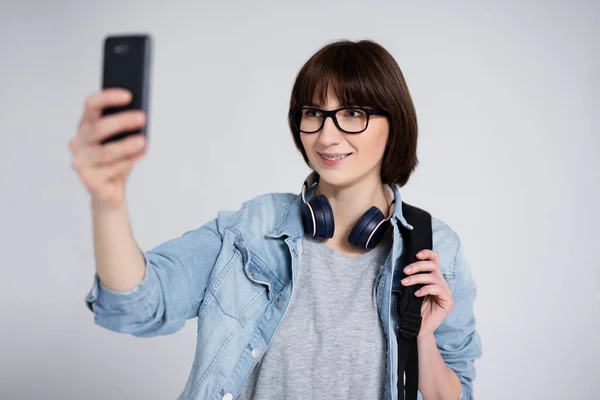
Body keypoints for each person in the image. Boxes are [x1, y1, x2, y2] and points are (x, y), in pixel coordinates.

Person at [70, 39, 482, 400]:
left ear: (394, 124)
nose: (327, 136)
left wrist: (423, 338)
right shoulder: (252, 228)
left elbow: (454, 393)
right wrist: (108, 202)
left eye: (353, 113)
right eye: (313, 113)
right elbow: (136, 305)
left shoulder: (434, 247)